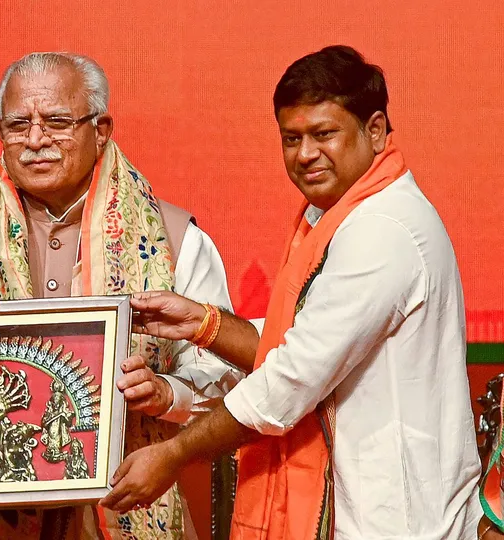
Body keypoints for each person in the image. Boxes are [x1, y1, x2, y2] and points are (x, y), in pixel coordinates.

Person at [101, 45, 482, 539]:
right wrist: (202, 324)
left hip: (395, 522)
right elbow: (300, 339)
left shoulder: (382, 229)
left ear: (376, 130)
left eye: (324, 134)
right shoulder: (338, 218)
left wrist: (174, 455)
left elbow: (288, 382)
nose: (305, 154)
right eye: (291, 138)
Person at [0, 52, 242, 540]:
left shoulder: (172, 237)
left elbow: (228, 374)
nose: (36, 140)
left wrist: (169, 393)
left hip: (132, 502)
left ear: (101, 129)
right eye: (18, 124)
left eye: (57, 122)